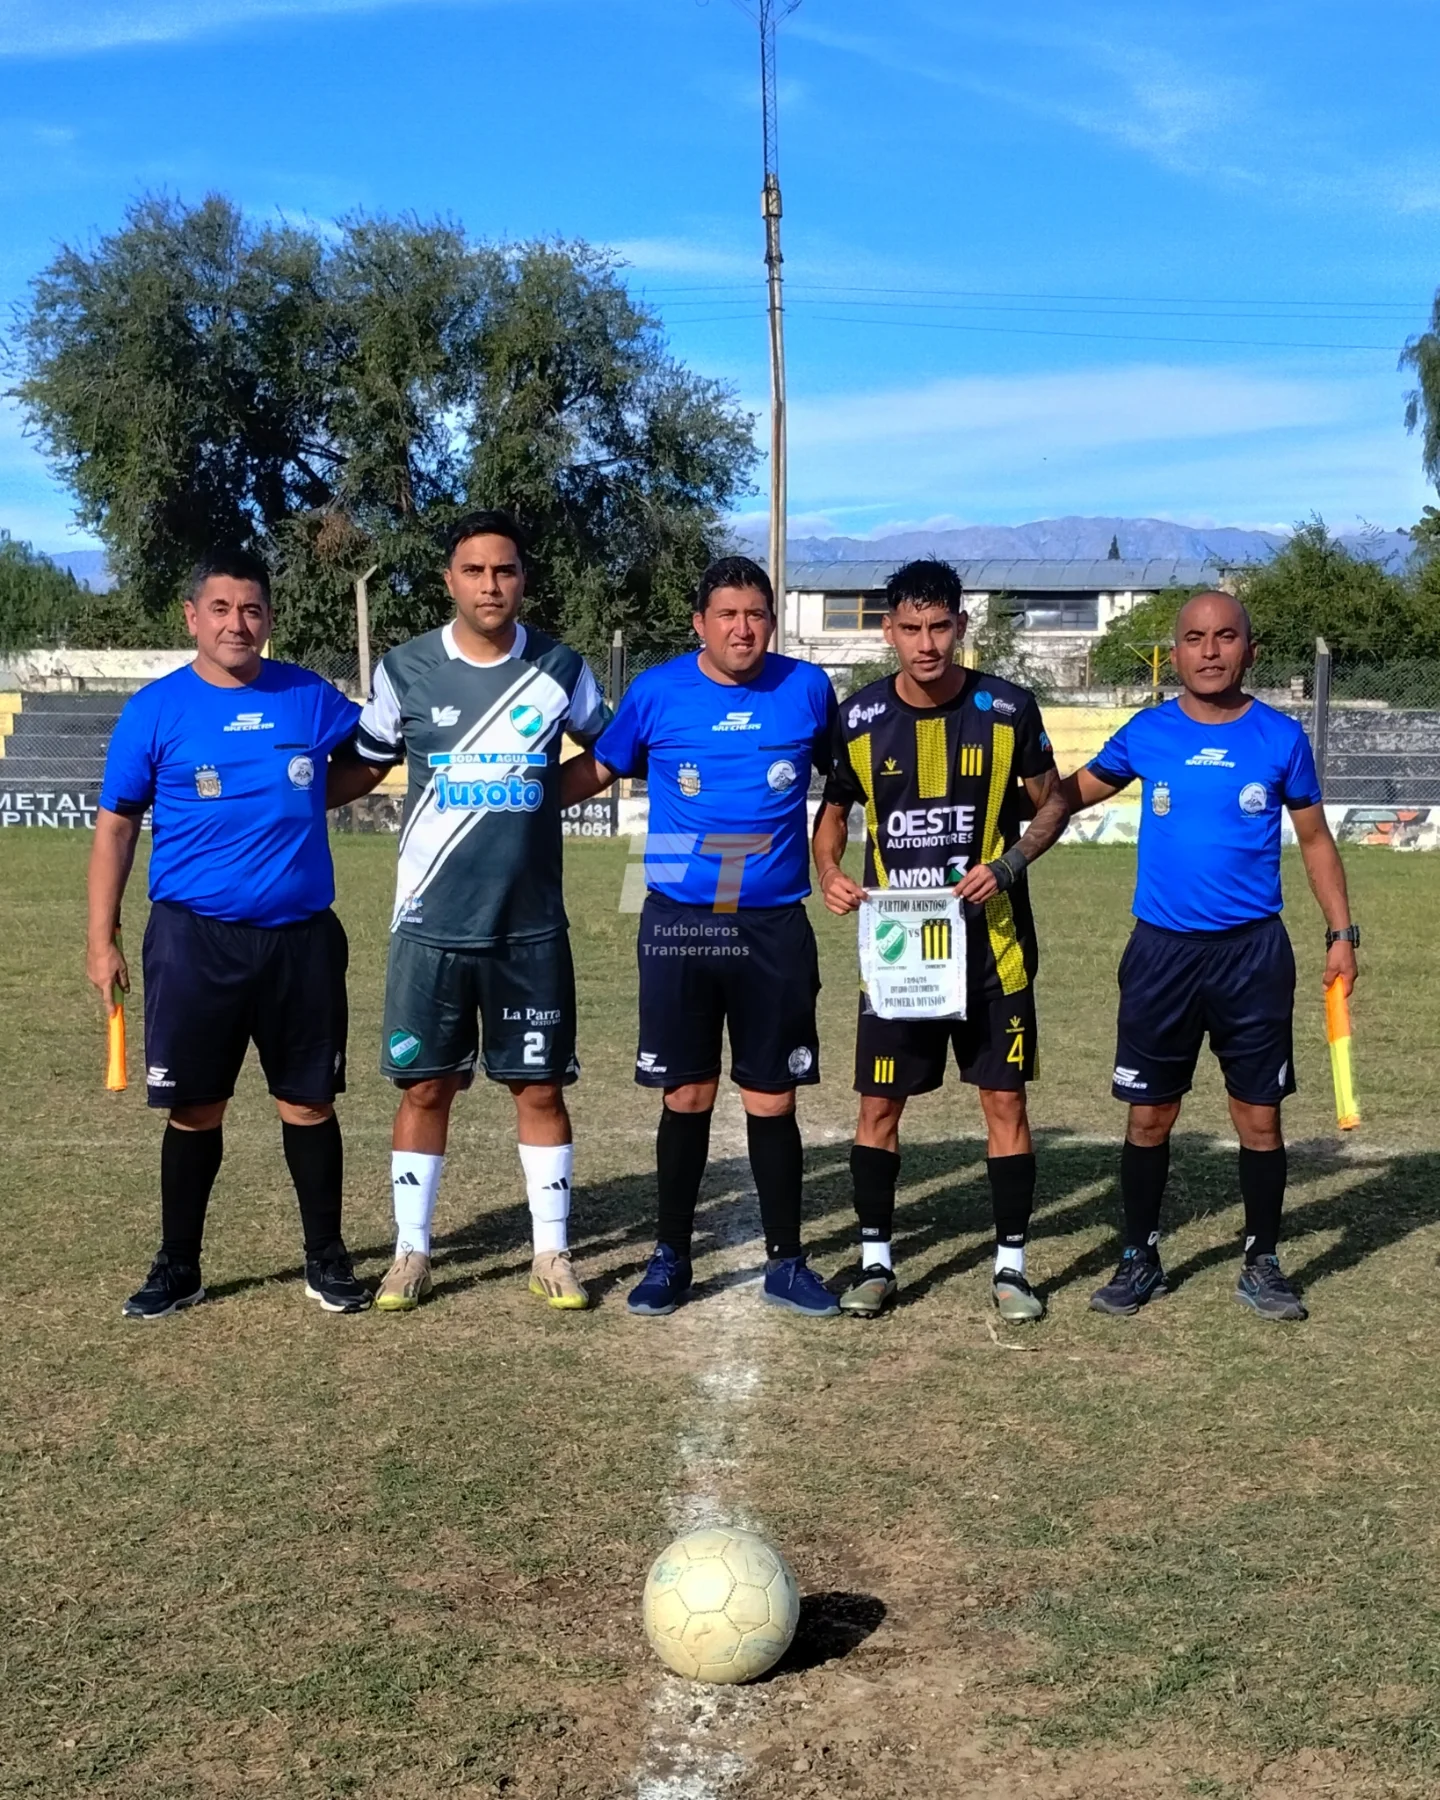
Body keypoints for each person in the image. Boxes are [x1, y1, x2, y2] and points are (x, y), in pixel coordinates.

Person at [327, 510, 610, 1313]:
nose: (491, 585)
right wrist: (280, 801)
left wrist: (541, 796)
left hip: (530, 929)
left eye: (505, 570)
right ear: (450, 580)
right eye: (475, 571)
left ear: (523, 580)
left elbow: (610, 753)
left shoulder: (560, 668)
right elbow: (363, 764)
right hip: (430, 926)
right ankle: (410, 1253)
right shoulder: (406, 669)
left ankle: (552, 1252)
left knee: (540, 1091)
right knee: (425, 1090)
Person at [1061, 590, 1359, 1322]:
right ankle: (1139, 1258)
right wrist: (1006, 794)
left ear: (1250, 650)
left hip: (1251, 956)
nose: (1211, 650)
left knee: (1259, 1118)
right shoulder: (1148, 732)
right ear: (1176, 653)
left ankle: (1262, 1261)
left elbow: (1315, 840)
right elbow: (1069, 794)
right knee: (1149, 1116)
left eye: (1226, 637)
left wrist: (1342, 935)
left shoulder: (1280, 738)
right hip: (1161, 954)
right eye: (1195, 638)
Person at [88, 548, 370, 1319]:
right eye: (220, 608)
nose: (236, 623)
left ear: (268, 618)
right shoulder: (155, 709)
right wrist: (101, 939)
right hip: (194, 942)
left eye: (251, 609)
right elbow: (116, 827)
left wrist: (315, 795)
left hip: (300, 941)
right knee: (194, 1109)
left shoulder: (308, 696)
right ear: (192, 617)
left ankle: (326, 1258)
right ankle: (179, 1267)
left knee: (308, 1104)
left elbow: (367, 760)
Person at [562, 555, 840, 1317]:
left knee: (772, 1095)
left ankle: (787, 1261)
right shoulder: (657, 691)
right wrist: (518, 802)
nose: (742, 629)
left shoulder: (808, 688)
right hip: (681, 919)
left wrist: (831, 859)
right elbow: (601, 768)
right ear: (700, 623)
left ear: (771, 622)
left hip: (773, 922)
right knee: (686, 1092)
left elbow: (847, 783)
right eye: (727, 614)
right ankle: (670, 1257)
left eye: (756, 614)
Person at [814, 559, 1070, 1320]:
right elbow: (833, 817)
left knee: (1004, 1101)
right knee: (878, 1106)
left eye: (939, 627)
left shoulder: (1008, 708)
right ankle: (875, 1262)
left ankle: (1012, 1269)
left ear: (960, 625)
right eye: (910, 628)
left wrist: (1010, 863)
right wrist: (828, 872)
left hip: (994, 949)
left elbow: (1052, 804)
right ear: (888, 631)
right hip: (901, 956)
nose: (926, 644)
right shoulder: (858, 719)